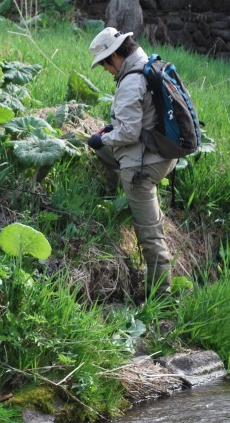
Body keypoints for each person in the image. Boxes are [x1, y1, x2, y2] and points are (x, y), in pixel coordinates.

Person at [86, 27, 177, 295]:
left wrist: (102, 139)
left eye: (104, 65)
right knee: (104, 152)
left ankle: (161, 298)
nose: (106, 71)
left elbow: (129, 132)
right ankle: (112, 198)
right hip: (163, 154)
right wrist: (108, 131)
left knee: (150, 234)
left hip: (142, 167)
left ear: (114, 57)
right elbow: (141, 118)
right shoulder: (148, 66)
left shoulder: (130, 82)